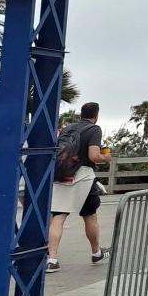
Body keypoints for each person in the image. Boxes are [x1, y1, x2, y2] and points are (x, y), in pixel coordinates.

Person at [49, 103, 109, 273]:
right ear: (96, 115)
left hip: (62, 173)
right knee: (90, 215)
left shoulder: (68, 128)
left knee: (58, 216)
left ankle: (52, 259)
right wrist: (106, 158)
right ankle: (96, 252)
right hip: (83, 176)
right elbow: (93, 156)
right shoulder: (94, 129)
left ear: (81, 114)